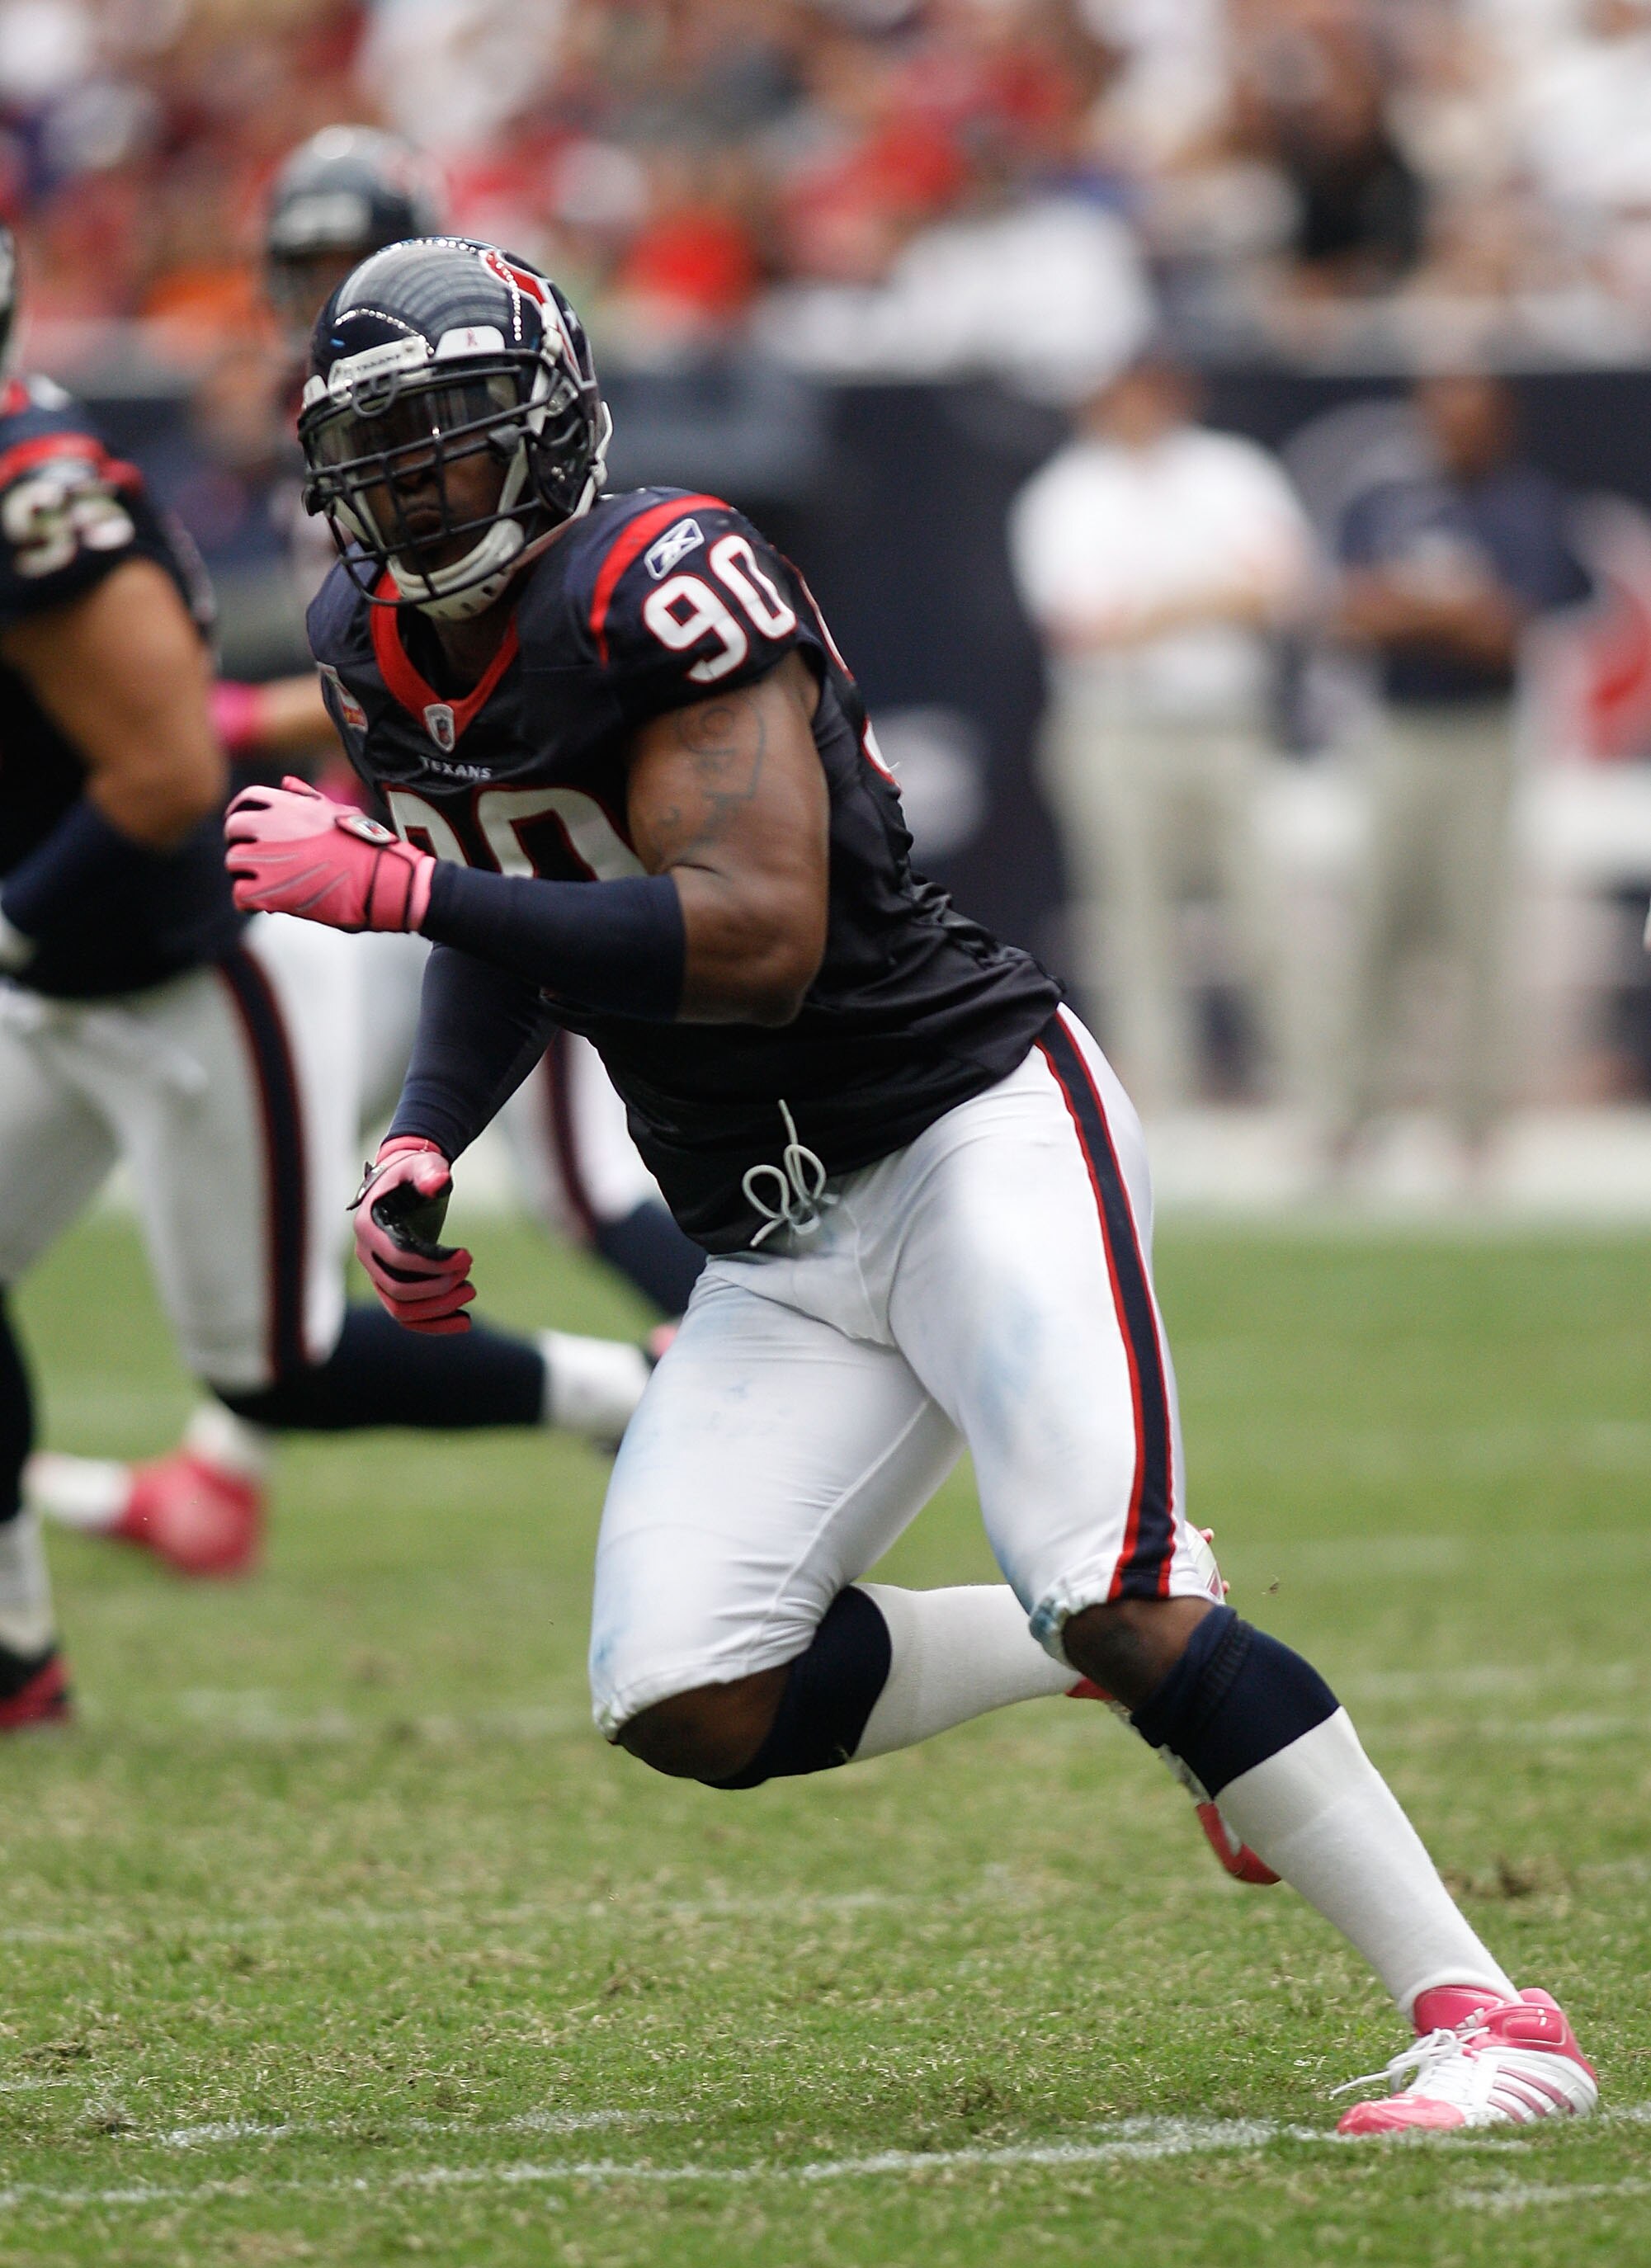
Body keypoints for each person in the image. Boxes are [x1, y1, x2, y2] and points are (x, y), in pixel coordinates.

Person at [229, 233, 1599, 2137]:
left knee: (1114, 1595)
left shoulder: (664, 578)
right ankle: (1093, 1658)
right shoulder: (361, 637)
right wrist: (421, 1129)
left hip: (960, 1124)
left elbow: (755, 930)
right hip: (770, 1224)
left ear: (543, 428)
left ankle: (1487, 2013)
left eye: (453, 442)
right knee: (683, 1690)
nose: (418, 488)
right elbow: (511, 891)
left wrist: (401, 887)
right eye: (381, 454)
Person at [28, 127, 704, 1578]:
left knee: (575, 1172)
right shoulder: (327, 425)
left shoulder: (485, 408)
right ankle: (239, 1449)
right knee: (336, 1162)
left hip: (526, 827)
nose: (330, 295)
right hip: (404, 836)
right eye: (306, 270)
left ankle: (742, 1383)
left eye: (352, 261)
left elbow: (489, 626)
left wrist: (228, 709)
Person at [1010, 350, 1314, 1111]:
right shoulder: (1064, 494)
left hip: (1227, 724)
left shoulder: (1232, 471)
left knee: (1269, 916)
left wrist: (1154, 610)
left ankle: (1312, 1100)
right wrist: (1211, 597)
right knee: (1135, 927)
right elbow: (1085, 627)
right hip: (1115, 728)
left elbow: (1282, 590)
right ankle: (1166, 1114)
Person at [1327, 370, 1592, 1172]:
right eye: (1443, 417)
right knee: (1379, 921)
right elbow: (1349, 615)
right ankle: (1356, 1108)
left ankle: (1475, 1119)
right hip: (1399, 732)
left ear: (1500, 423)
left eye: (1471, 418)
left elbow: (1509, 631)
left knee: (1478, 928)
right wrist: (1448, 611)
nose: (1456, 432)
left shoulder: (1528, 505)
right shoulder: (1387, 501)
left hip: (1483, 734)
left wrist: (1421, 611)